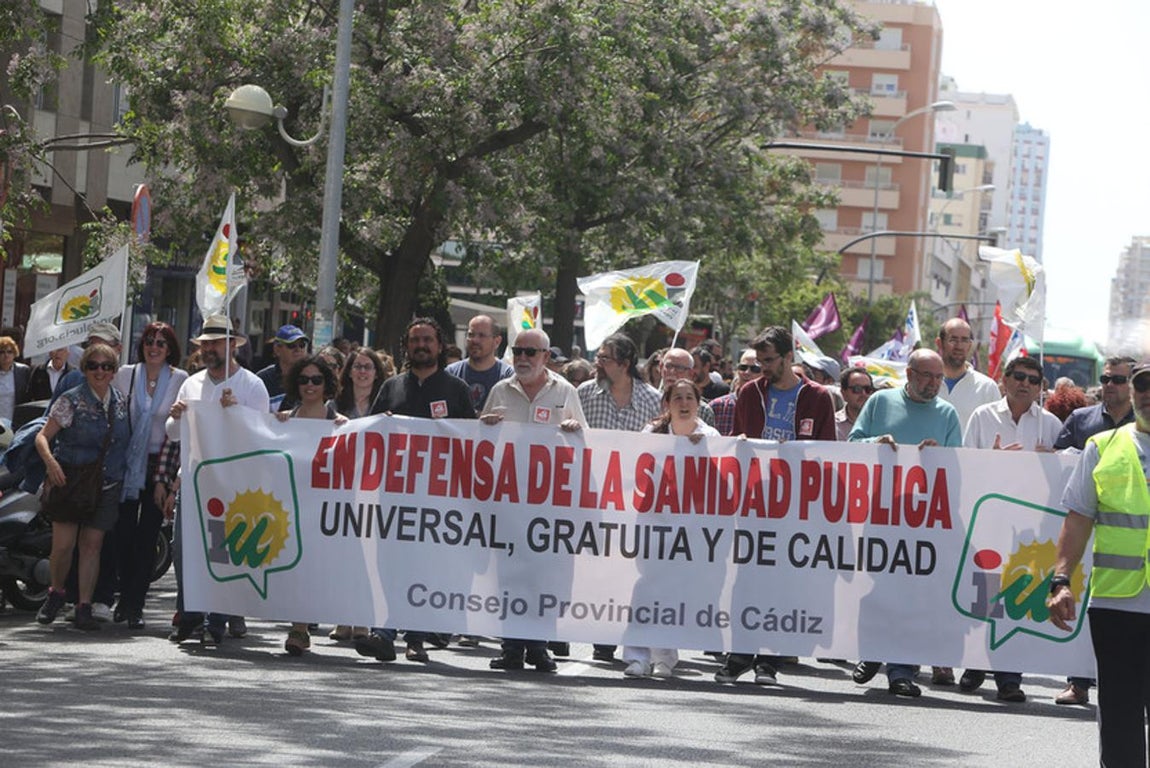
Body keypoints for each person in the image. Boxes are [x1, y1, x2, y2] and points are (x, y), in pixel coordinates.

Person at [355, 317, 476, 664]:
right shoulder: (391, 387)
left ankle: (414, 637)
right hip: (393, 494)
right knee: (390, 564)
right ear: (406, 347)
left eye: (427, 340)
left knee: (425, 567)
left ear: (439, 345)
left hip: (438, 499)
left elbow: (470, 441)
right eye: (414, 340)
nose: (421, 345)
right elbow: (370, 433)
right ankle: (387, 632)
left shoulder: (456, 390)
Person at [721, 325, 836, 686]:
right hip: (753, 502)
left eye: (769, 361)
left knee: (782, 581)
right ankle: (739, 653)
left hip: (794, 507)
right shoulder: (749, 392)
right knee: (746, 580)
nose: (762, 369)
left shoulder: (818, 397)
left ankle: (768, 660)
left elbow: (827, 452)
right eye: (758, 362)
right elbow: (738, 444)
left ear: (789, 357)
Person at [1049, 359, 1150, 764]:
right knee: (1121, 713)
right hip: (1116, 603)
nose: (1148, 394)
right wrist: (1059, 581)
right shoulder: (1104, 447)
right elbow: (1078, 520)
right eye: (1141, 386)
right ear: (1131, 392)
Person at [847, 348, 962, 697]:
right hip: (880, 513)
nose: (933, 384)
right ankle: (872, 651)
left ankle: (901, 670)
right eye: (927, 376)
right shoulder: (880, 402)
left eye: (939, 377)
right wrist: (875, 443)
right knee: (878, 587)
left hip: (922, 519)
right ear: (909, 374)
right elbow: (853, 443)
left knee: (911, 592)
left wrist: (937, 457)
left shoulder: (947, 414)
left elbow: (957, 463)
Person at [481, 328, 586, 673]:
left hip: (548, 505)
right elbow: (480, 444)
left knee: (545, 577)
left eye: (530, 352)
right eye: (518, 350)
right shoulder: (500, 390)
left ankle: (539, 646)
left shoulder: (565, 391)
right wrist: (484, 427)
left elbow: (584, 444)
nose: (523, 358)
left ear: (545, 356)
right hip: (508, 502)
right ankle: (511, 647)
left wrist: (573, 430)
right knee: (510, 576)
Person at [958, 355, 1061, 703]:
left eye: (1034, 380)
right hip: (988, 520)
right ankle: (975, 664)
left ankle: (1009, 677)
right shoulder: (982, 416)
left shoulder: (1050, 424)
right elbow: (964, 465)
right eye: (1019, 376)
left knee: (1016, 596)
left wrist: (1054, 462)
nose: (1026, 384)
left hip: (1029, 527)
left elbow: (1062, 479)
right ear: (1004, 379)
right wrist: (993, 459)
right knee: (983, 597)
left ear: (1041, 387)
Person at [166, 314, 270, 645]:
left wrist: (237, 411)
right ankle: (190, 613)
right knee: (184, 550)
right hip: (195, 478)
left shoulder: (251, 385)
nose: (209, 349)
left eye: (215, 343)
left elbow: (262, 435)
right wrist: (176, 417)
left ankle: (218, 617)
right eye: (205, 343)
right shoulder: (191, 383)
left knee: (223, 552)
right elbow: (173, 435)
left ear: (231, 345)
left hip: (232, 483)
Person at [577, 332, 663, 662]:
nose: (597, 363)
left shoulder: (653, 398)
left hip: (638, 500)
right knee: (601, 567)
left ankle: (629, 631)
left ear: (625, 364)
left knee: (632, 571)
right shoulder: (585, 393)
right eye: (598, 358)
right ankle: (603, 634)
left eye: (605, 358)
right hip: (598, 496)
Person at [624, 379, 718, 679]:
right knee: (645, 587)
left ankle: (665, 656)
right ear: (667, 403)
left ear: (698, 402)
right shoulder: (652, 432)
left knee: (674, 592)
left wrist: (707, 450)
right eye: (677, 397)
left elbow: (723, 475)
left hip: (690, 529)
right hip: (653, 523)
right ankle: (637, 655)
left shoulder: (710, 435)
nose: (684, 403)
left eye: (690, 397)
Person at [34, 343, 130, 630]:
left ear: (114, 371)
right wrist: (51, 463)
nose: (99, 371)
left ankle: (84, 606)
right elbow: (42, 437)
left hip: (107, 483)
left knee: (92, 546)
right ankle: (56, 592)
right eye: (93, 365)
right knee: (63, 546)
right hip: (71, 481)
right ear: (85, 369)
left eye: (106, 366)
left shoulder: (121, 401)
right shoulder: (71, 400)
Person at [111, 321, 188, 630]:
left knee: (147, 538)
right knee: (122, 535)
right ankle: (121, 598)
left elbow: (179, 430)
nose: (154, 347)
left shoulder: (180, 379)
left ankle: (135, 604)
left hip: (162, 463)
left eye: (161, 343)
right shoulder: (126, 374)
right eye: (149, 342)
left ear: (170, 349)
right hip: (129, 463)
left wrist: (166, 481)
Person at [276, 356, 346, 655]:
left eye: (316, 380)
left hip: (325, 508)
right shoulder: (283, 420)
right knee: (296, 566)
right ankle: (299, 628)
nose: (309, 385)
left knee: (319, 567)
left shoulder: (341, 424)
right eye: (303, 379)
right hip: (291, 504)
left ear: (327, 384)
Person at [935, 318, 999, 428]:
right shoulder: (924, 383)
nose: (959, 346)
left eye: (964, 340)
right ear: (939, 343)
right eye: (953, 340)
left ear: (970, 345)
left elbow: (996, 430)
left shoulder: (987, 388)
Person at [444, 315, 513, 412]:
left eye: (481, 336)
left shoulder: (508, 376)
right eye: (471, 335)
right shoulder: (451, 373)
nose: (474, 340)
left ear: (497, 341)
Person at [709, 349, 762, 437]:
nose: (747, 372)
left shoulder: (769, 409)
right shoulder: (716, 406)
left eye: (754, 369)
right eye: (743, 367)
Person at [256, 324, 309, 412]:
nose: (298, 349)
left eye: (302, 345)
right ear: (277, 349)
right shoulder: (263, 379)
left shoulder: (314, 377)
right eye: (291, 345)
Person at [661, 348, 716, 427]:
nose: (672, 372)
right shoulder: (650, 402)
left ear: (690, 373)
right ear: (661, 368)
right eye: (668, 366)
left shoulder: (704, 411)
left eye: (679, 368)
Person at [335, 347, 388, 419]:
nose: (362, 371)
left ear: (376, 374)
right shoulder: (335, 403)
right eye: (357, 366)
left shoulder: (386, 403)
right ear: (349, 372)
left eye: (368, 367)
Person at [836, 366, 875, 442]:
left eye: (868, 389)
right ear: (843, 393)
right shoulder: (833, 425)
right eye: (857, 389)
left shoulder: (881, 423)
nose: (863, 394)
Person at [0, 335, 31, 423]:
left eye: (9, 352)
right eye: (2, 352)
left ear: (14, 353)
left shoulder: (23, 371)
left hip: (15, 421)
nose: (6, 355)